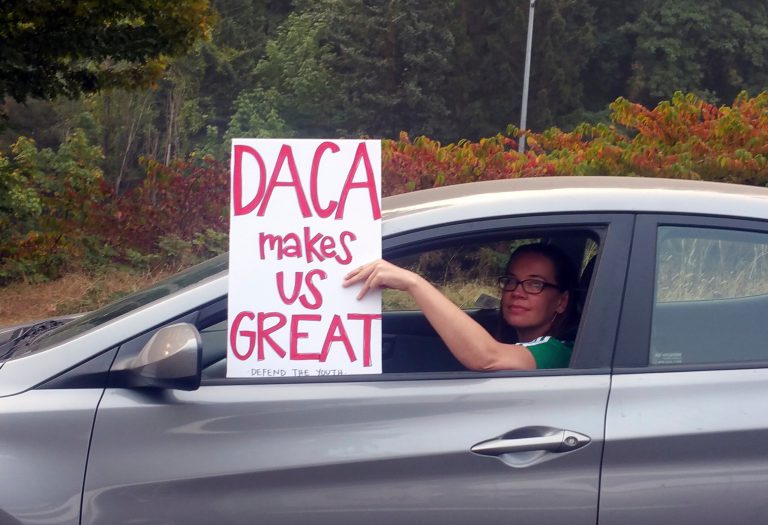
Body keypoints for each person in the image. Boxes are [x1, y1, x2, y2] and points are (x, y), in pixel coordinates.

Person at [342, 243, 578, 370]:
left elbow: (487, 358)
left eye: (535, 284)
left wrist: (413, 283)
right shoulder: (514, 340)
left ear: (561, 301)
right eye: (511, 281)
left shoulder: (559, 351)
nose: (517, 291)